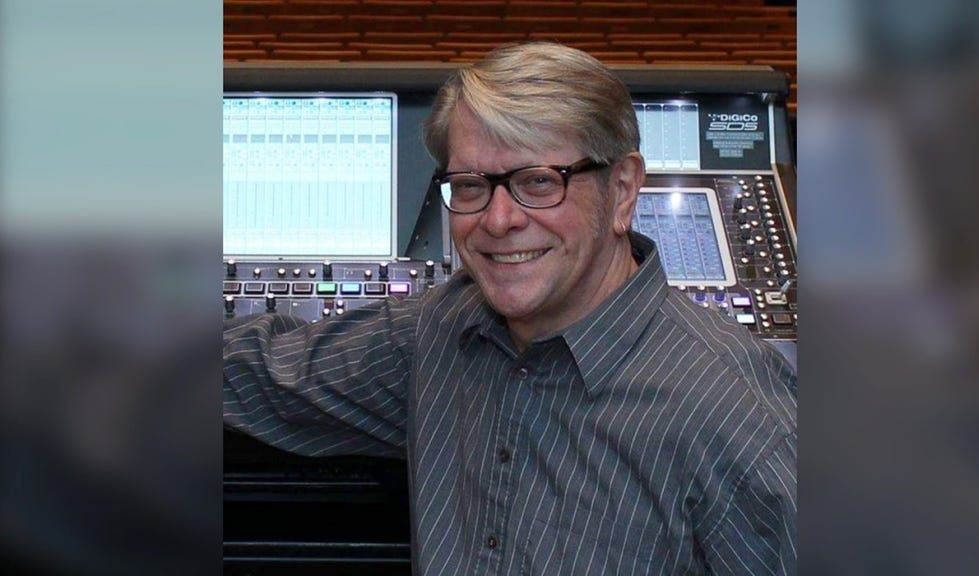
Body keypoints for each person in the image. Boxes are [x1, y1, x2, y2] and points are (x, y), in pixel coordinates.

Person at [224, 42, 797, 575]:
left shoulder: (741, 420)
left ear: (622, 190)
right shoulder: (441, 331)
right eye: (471, 185)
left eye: (539, 182)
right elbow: (262, 372)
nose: (498, 221)